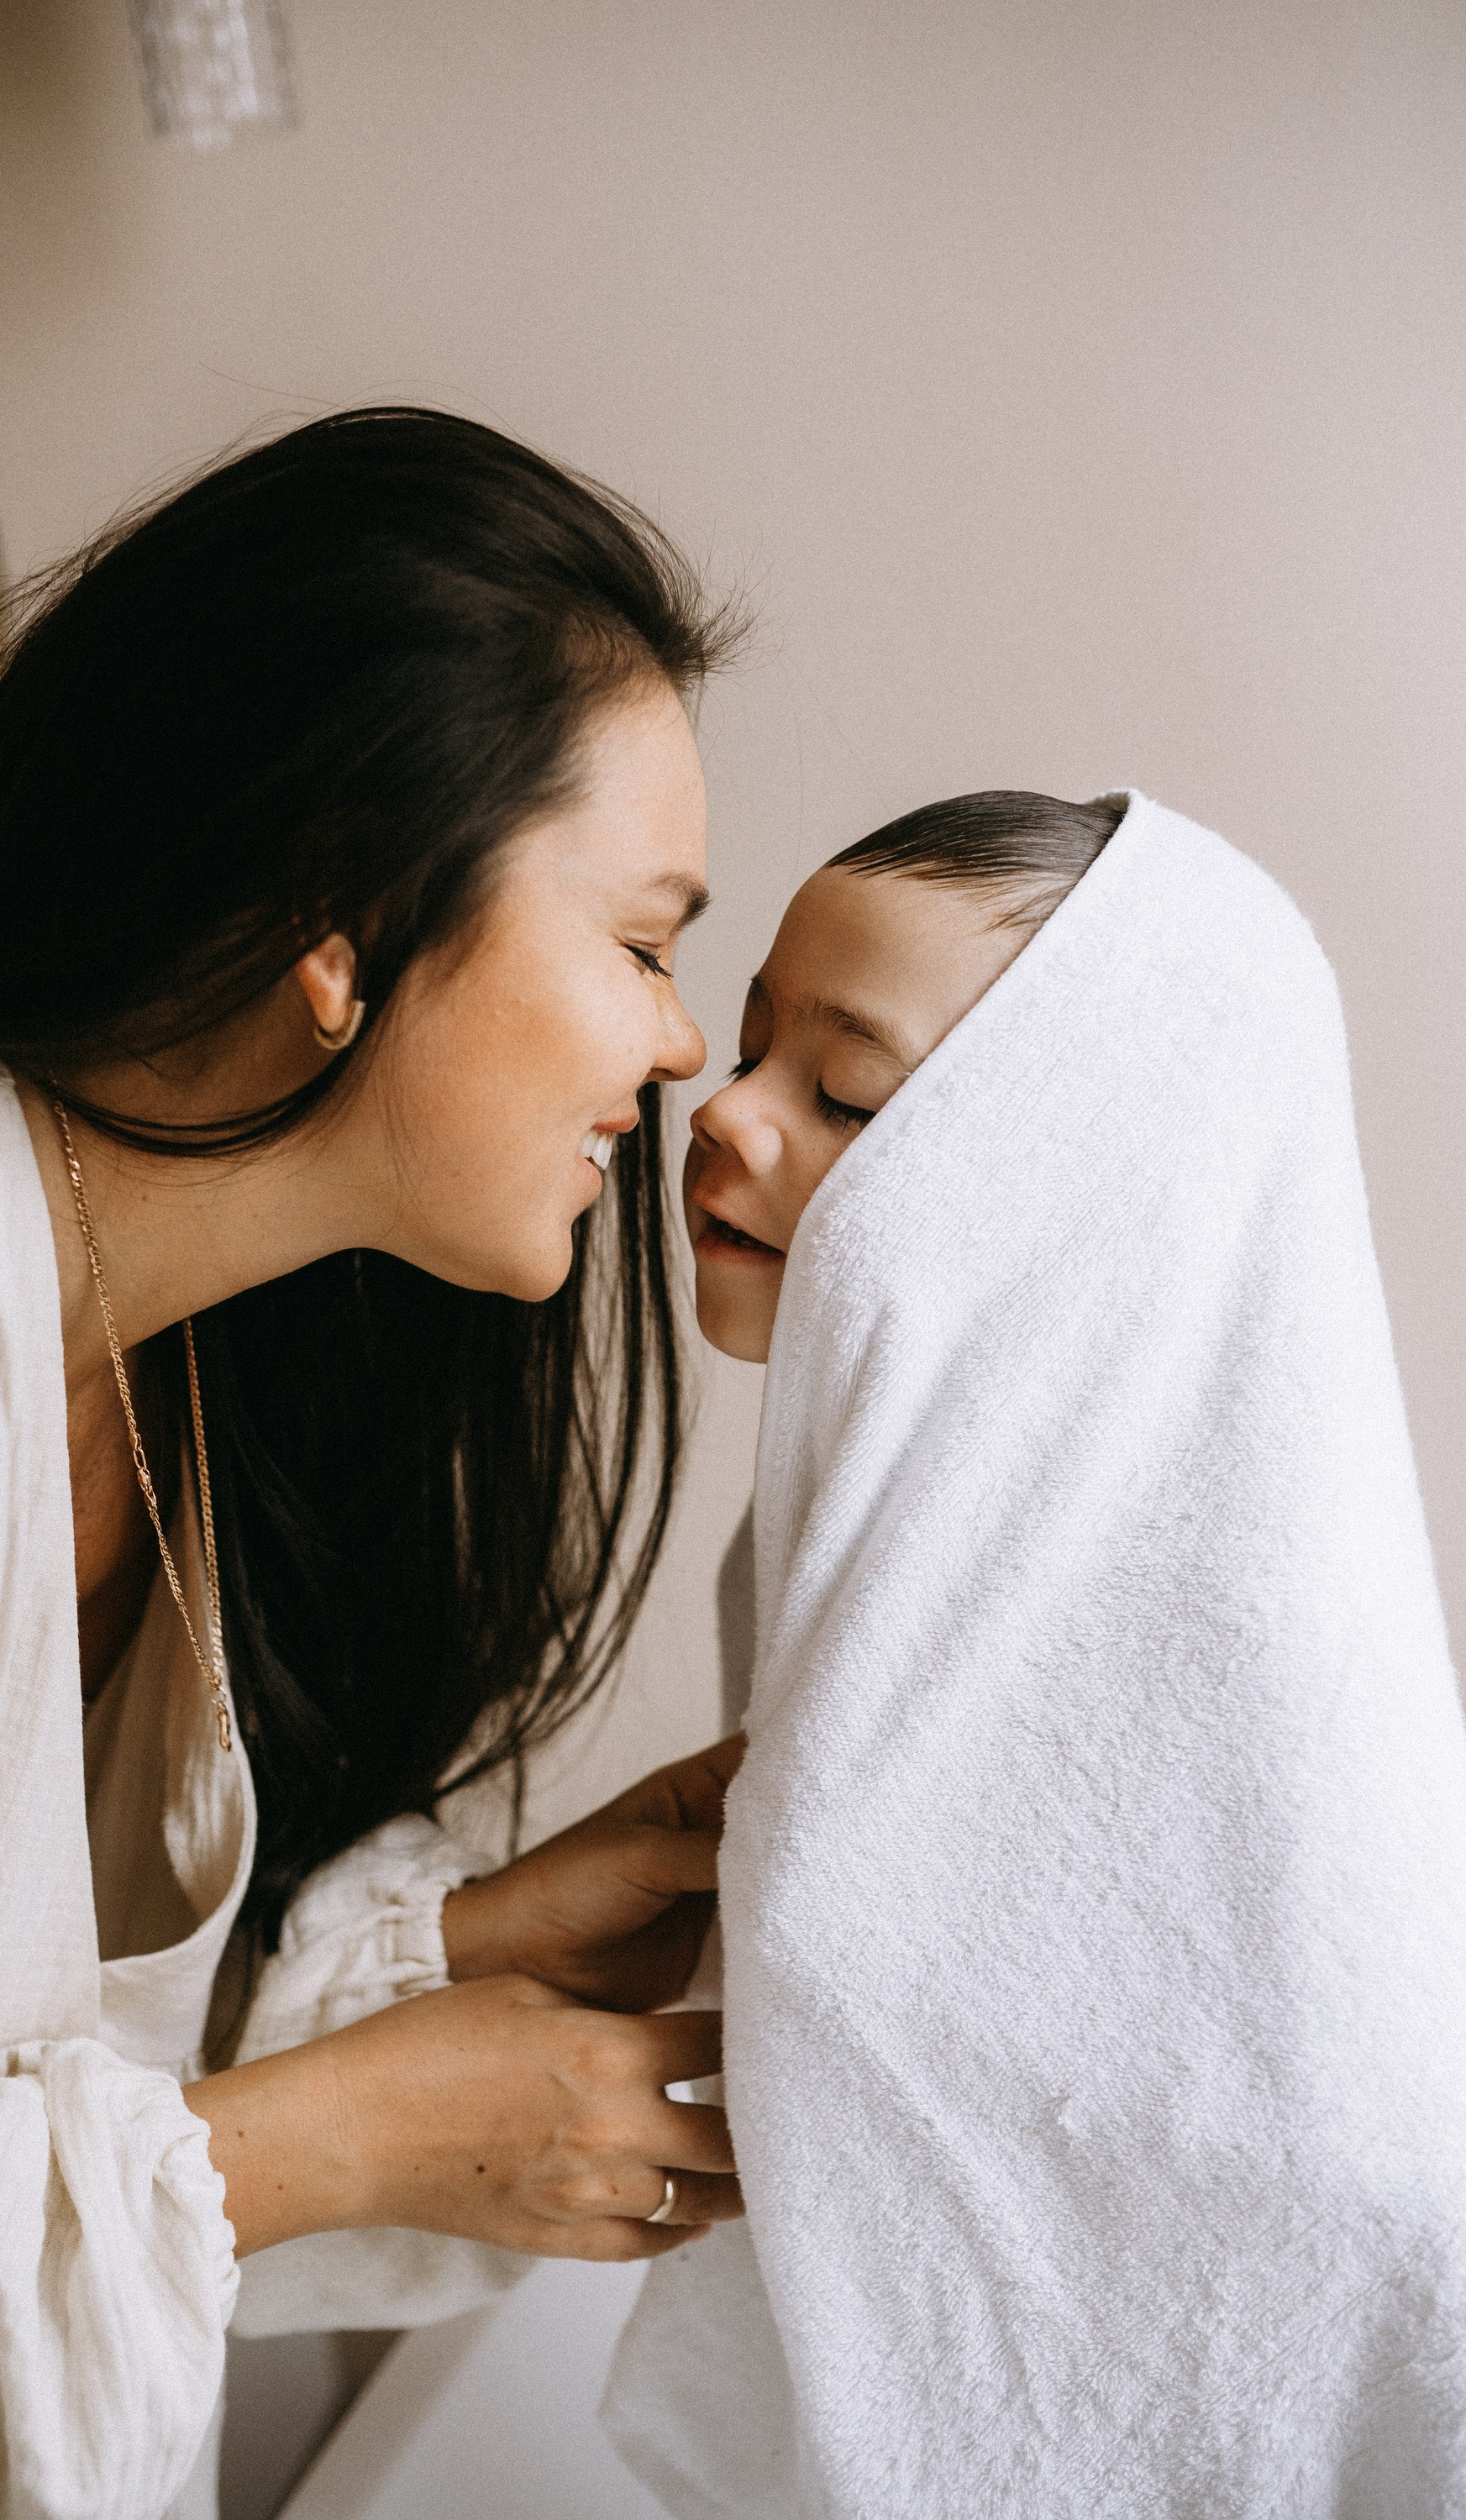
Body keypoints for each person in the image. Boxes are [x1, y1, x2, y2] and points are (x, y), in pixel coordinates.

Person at [0, 407, 748, 2520]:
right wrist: (353, 2138)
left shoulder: (179, 1369)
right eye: (647, 942)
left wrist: (472, 1944)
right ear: (344, 911)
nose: (684, 1054)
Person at [605, 790, 1466, 2517]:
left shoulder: (1249, 1656)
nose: (727, 1109)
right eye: (757, 1040)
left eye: (845, 1093)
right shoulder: (831, 1552)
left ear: (1072, 1196)